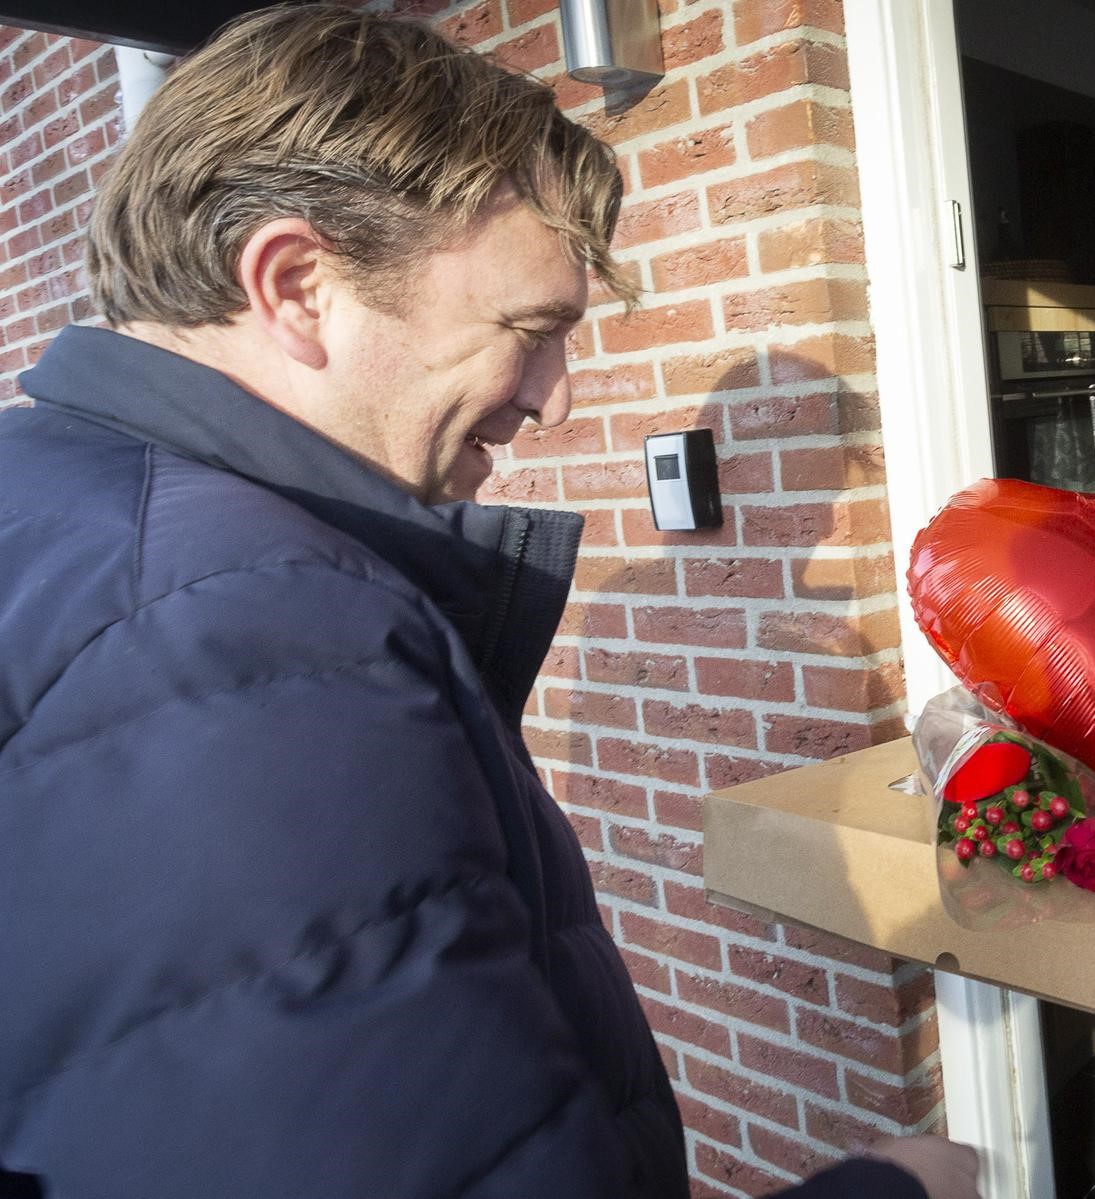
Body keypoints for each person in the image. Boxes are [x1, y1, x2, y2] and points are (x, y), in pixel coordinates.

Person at [0, 9, 976, 1199]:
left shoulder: (53, 498)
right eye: (531, 331)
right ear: (299, 284)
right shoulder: (259, 632)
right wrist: (897, 1187)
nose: (553, 402)